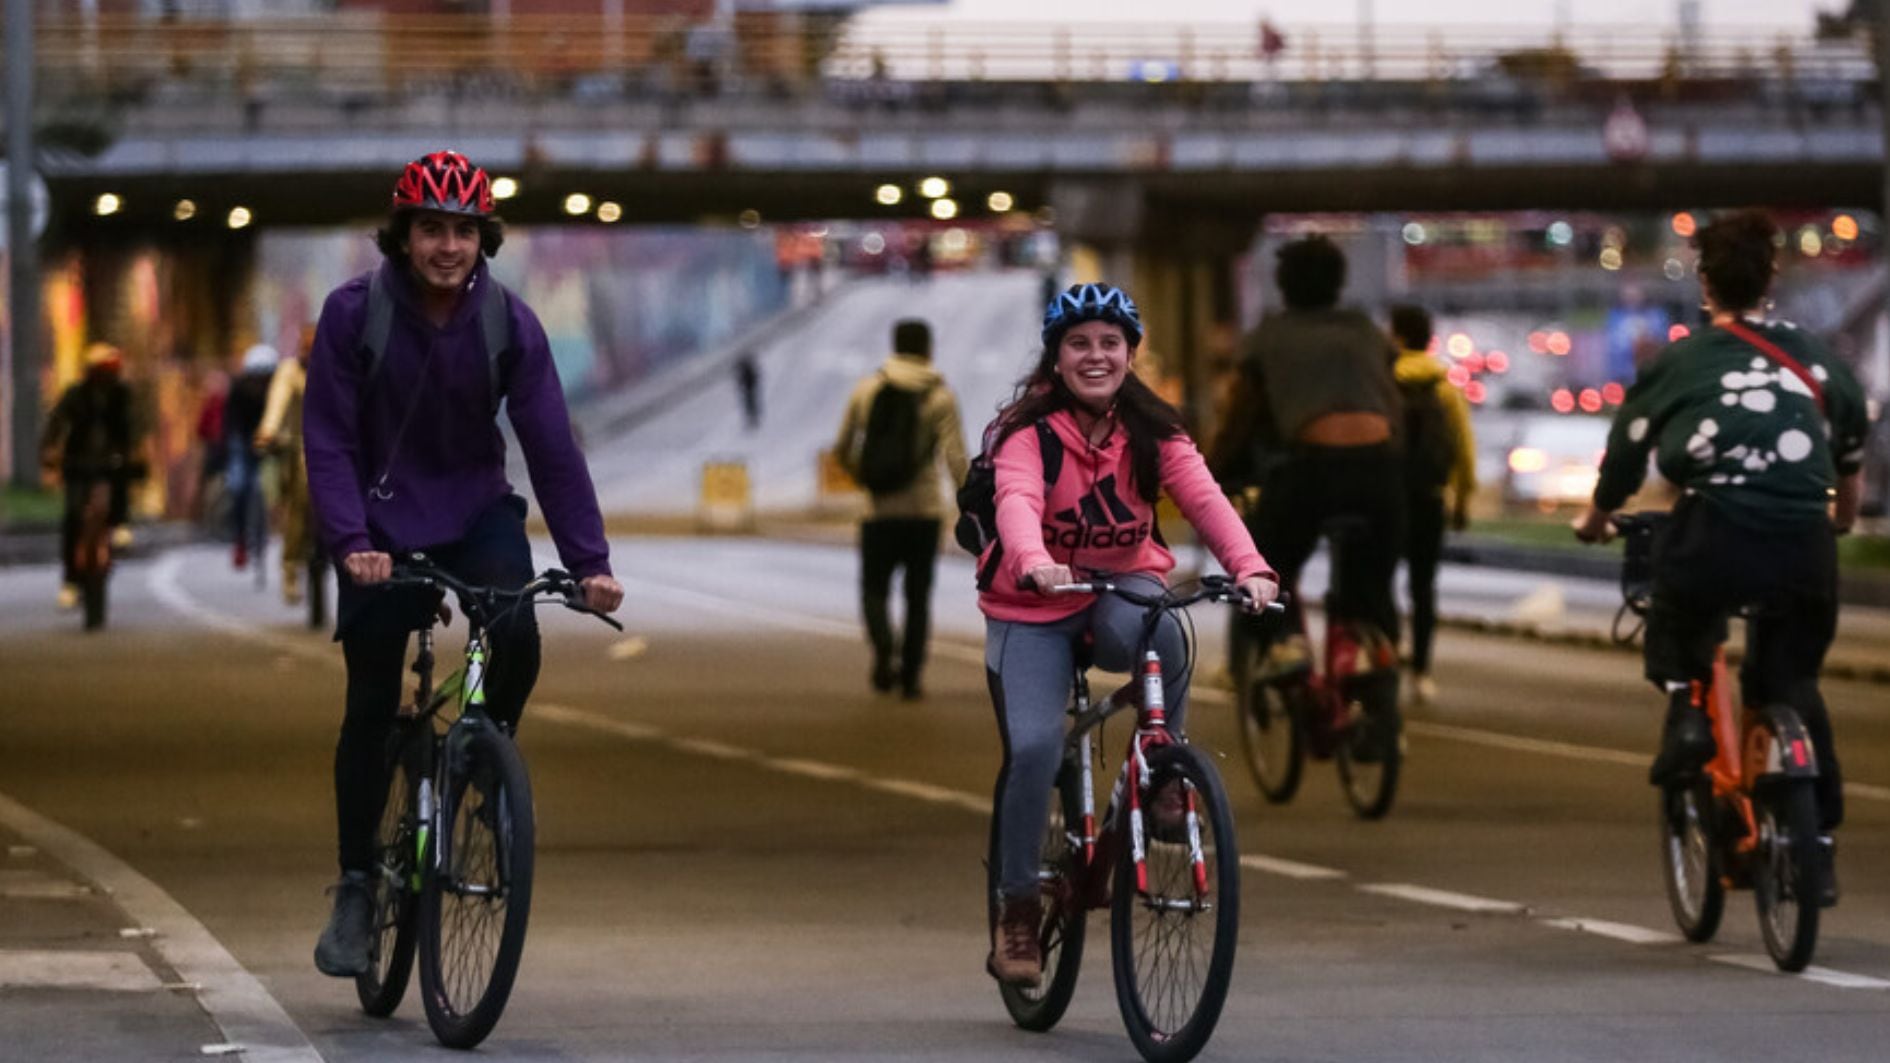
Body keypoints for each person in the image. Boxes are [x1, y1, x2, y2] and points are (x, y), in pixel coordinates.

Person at [303, 149, 625, 977]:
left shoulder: (509, 323)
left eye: (465, 231)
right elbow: (330, 439)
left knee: (515, 625)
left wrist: (589, 561)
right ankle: (353, 883)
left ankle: (486, 756)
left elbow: (551, 442)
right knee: (371, 700)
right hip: (377, 525)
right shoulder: (353, 315)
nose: (449, 246)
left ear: (486, 236)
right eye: (432, 229)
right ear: (403, 234)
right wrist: (351, 543)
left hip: (474, 509)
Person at [977, 282, 1278, 986]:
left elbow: (1204, 498)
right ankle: (1018, 907)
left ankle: (1165, 776)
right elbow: (1016, 501)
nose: (1095, 355)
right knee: (1035, 747)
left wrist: (1252, 569)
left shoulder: (1154, 430)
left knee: (1164, 623)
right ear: (1056, 357)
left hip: (1117, 589)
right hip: (1031, 603)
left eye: (1110, 343)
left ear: (1131, 354)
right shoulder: (1028, 433)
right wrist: (1036, 562)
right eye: (1079, 342)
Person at [1573, 209, 1868, 903]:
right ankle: (1815, 839)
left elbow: (1627, 448)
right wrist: (1839, 523)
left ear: (1704, 283)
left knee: (1680, 604)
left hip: (1717, 534)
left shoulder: (1680, 361)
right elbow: (1848, 461)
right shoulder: (1821, 360)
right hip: (1803, 544)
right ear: (1772, 278)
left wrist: (1597, 517)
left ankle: (1685, 712)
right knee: (1792, 678)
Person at [1215, 235, 1405, 692]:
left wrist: (1212, 473)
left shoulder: (1272, 335)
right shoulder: (1365, 331)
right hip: (1382, 470)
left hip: (1314, 470)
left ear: (1283, 285)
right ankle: (1371, 665)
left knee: (1260, 563)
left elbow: (1242, 416)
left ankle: (1284, 643)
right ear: (1339, 283)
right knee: (1371, 579)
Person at [832, 318, 969, 699]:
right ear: (928, 349)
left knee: (873, 589)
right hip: (924, 513)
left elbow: (843, 446)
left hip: (878, 512)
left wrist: (866, 479)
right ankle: (910, 676)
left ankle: (883, 648)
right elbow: (956, 457)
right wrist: (971, 506)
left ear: (894, 346)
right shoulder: (939, 396)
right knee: (918, 595)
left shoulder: (868, 389)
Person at [1387, 305, 1477, 705]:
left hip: (1387, 498)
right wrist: (1461, 499)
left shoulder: (1383, 380)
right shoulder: (1444, 387)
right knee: (1423, 588)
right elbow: (1464, 450)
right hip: (1429, 497)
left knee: (1378, 580)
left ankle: (1383, 655)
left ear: (1399, 336)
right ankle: (1421, 671)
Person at [40, 342, 141, 609]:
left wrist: (136, 454)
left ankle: (120, 524)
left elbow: (133, 428)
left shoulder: (122, 395)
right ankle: (70, 581)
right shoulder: (75, 395)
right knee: (73, 517)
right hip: (78, 464)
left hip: (111, 462)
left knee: (119, 487)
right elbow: (56, 423)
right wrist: (50, 454)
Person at [256, 328, 312, 605]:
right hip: (297, 445)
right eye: (305, 348)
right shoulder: (288, 372)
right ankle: (291, 564)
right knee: (300, 498)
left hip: (335, 446)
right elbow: (277, 404)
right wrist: (269, 430)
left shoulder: (338, 364)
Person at [224, 343, 278, 570]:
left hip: (269, 443)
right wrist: (240, 445)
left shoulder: (277, 391)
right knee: (239, 486)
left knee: (271, 484)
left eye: (266, 378)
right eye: (257, 378)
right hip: (243, 442)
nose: (261, 384)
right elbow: (231, 423)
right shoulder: (238, 390)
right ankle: (240, 539)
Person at [735, 350, 762, 430]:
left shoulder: (746, 370)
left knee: (750, 405)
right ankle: (752, 419)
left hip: (749, 389)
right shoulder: (747, 369)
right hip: (749, 389)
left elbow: (744, 379)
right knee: (750, 405)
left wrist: (742, 385)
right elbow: (755, 377)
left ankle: (753, 419)